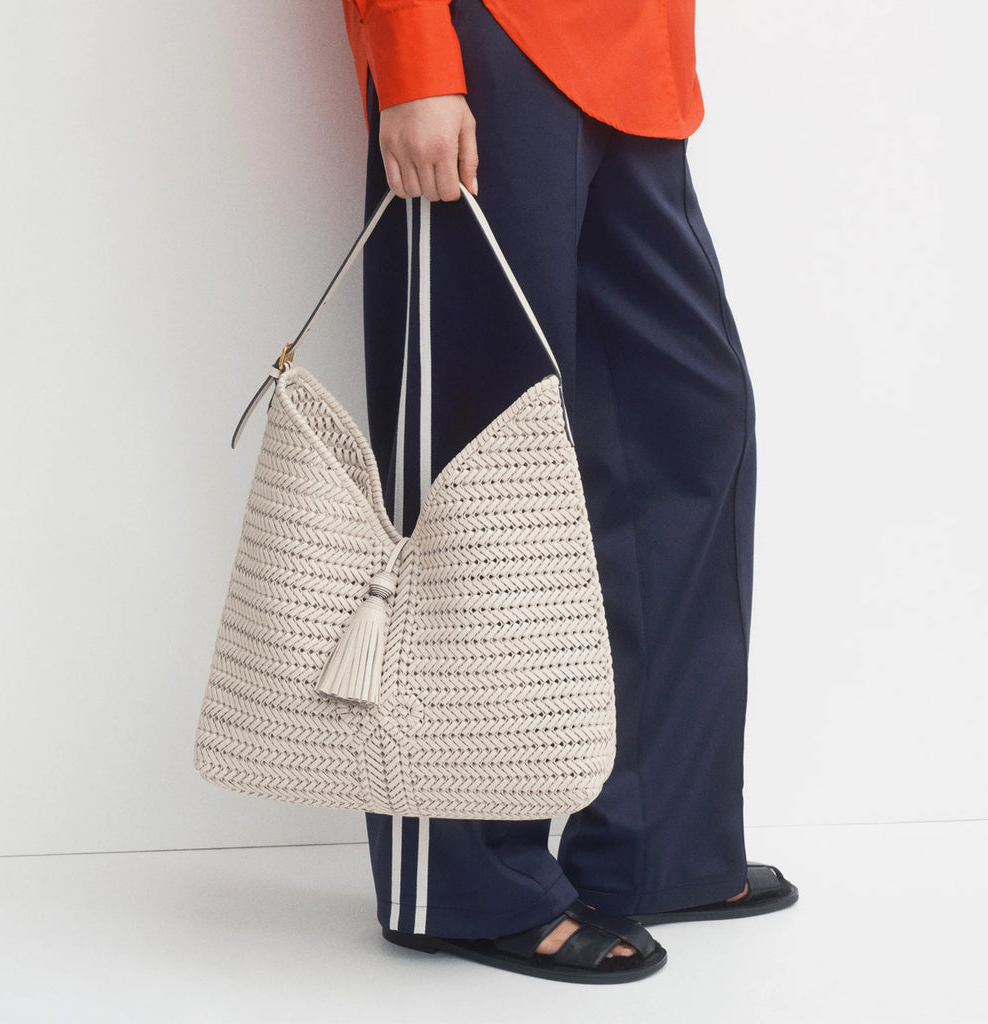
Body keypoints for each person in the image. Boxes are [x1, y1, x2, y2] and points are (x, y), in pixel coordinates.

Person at [339, 0, 799, 983]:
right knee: (478, 445)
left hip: (633, 54)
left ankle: (655, 842)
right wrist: (414, 58)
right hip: (488, 41)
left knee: (686, 423)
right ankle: (462, 882)